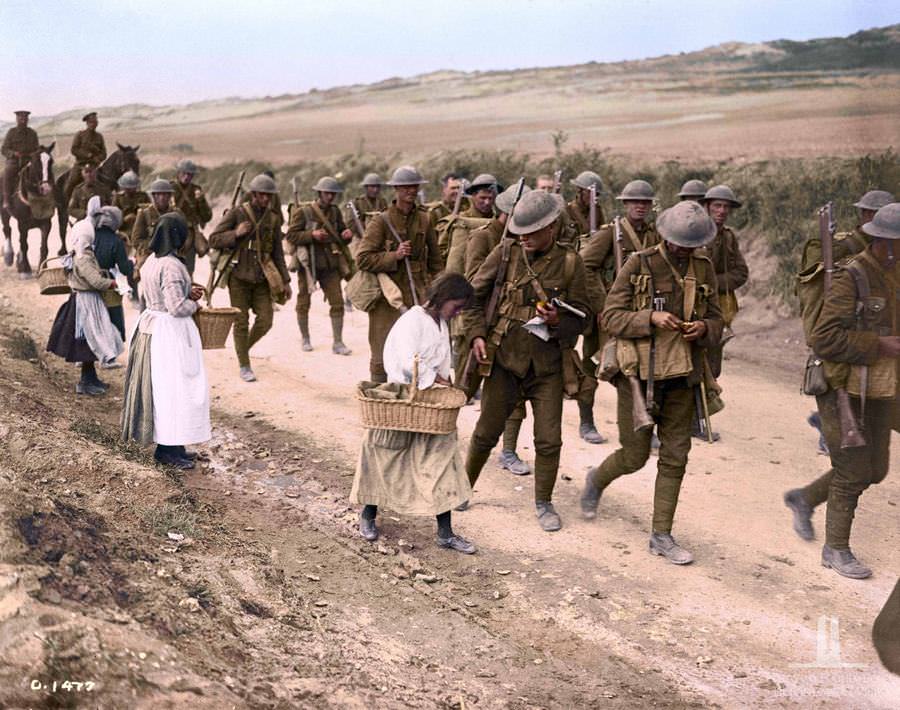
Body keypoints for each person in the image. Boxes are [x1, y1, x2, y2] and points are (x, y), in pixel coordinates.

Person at [580, 201, 723, 564]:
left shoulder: (703, 269)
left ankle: (661, 534)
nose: (682, 251)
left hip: (684, 376)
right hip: (639, 378)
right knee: (635, 455)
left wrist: (704, 328)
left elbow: (719, 321)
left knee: (676, 457)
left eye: (690, 246)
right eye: (677, 243)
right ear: (664, 237)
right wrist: (650, 317)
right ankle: (597, 479)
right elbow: (611, 317)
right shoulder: (639, 264)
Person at [463, 190, 591, 532]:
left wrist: (557, 323)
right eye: (521, 231)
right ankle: (461, 488)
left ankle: (544, 502)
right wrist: (476, 335)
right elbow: (471, 296)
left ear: (551, 227)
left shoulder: (570, 263)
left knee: (549, 440)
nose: (525, 238)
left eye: (532, 232)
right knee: (485, 432)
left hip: (547, 366)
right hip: (504, 359)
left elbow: (584, 317)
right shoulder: (505, 253)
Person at [784, 202, 899, 580]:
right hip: (841, 385)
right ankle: (836, 549)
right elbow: (824, 339)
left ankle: (805, 498)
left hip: (881, 384)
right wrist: (879, 345)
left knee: (876, 469)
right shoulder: (853, 277)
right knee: (851, 470)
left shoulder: (894, 273)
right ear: (883, 244)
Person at [351, 272, 476, 553]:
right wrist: (434, 377)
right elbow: (407, 361)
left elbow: (443, 360)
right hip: (404, 399)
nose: (457, 312)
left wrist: (444, 379)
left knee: (441, 461)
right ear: (443, 298)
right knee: (386, 458)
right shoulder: (413, 320)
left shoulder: (441, 324)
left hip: (429, 403)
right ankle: (368, 515)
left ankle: (446, 532)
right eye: (456, 305)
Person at [796, 189, 895, 456]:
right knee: (837, 379)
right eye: (875, 214)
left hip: (872, 328)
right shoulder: (842, 246)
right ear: (864, 215)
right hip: (841, 326)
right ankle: (833, 433)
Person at [121, 212, 210, 470]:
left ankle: (174, 445)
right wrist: (193, 302)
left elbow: (161, 296)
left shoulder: (150, 261)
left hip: (153, 325)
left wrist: (186, 291)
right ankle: (168, 450)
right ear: (176, 236)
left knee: (164, 389)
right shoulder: (171, 265)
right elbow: (175, 307)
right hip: (169, 334)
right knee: (175, 390)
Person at [577, 179, 660, 444]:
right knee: (594, 368)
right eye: (635, 202)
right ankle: (586, 421)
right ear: (625, 204)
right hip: (608, 315)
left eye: (645, 202)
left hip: (640, 314)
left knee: (644, 369)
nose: (640, 206)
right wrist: (602, 304)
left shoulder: (654, 235)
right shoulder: (609, 234)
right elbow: (585, 267)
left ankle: (643, 424)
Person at [463, 183, 534, 475]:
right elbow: (472, 284)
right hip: (479, 325)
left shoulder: (527, 243)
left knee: (513, 396)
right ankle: (438, 440)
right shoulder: (485, 239)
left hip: (509, 333)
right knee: (462, 388)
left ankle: (508, 450)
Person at [356, 165, 443, 383]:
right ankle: (378, 401)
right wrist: (394, 256)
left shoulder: (425, 219)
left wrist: (440, 290)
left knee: (419, 350)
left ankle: (412, 404)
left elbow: (435, 260)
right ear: (396, 189)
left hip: (419, 294)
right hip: (388, 297)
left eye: (414, 186)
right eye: (405, 187)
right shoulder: (381, 221)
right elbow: (363, 258)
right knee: (382, 349)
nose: (410, 191)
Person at [209, 174, 291, 382]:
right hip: (238, 276)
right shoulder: (238, 213)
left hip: (262, 277)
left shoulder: (272, 218)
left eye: (269, 196)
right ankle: (244, 364)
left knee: (266, 320)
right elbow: (214, 239)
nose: (266, 199)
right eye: (262, 195)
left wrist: (286, 280)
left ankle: (242, 350)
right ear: (254, 194)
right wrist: (236, 233)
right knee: (241, 322)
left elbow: (278, 253)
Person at [47, 197, 124, 395]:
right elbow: (95, 281)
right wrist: (111, 283)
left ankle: (90, 378)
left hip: (83, 299)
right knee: (90, 338)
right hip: (87, 301)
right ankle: (86, 382)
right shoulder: (84, 256)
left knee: (90, 340)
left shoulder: (77, 253)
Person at [286, 175, 354, 354]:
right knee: (303, 302)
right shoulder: (304, 212)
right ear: (319, 193)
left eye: (333, 194)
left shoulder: (335, 212)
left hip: (330, 264)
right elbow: (291, 236)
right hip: (308, 264)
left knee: (337, 302)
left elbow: (340, 236)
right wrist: (312, 235)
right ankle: (305, 338)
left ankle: (338, 343)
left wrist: (347, 236)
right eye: (327, 193)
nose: (330, 197)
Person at [438, 173, 499, 272]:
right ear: (473, 196)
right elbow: (441, 253)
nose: (487, 202)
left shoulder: (499, 220)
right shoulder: (458, 220)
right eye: (482, 198)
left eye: (490, 198)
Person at [90, 205, 134, 341]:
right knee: (113, 316)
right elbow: (125, 269)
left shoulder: (89, 236)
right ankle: (112, 351)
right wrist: (132, 263)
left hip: (88, 281)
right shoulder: (116, 241)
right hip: (108, 283)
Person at [169, 159, 212, 275]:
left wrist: (201, 200)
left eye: (190, 174)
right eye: (184, 173)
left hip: (190, 235)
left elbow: (207, 216)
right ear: (178, 173)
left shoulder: (196, 190)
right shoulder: (169, 189)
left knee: (188, 272)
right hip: (172, 234)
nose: (187, 176)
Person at [64, 112, 107, 202]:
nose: (93, 124)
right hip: (81, 165)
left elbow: (104, 153)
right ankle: (66, 203)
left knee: (106, 182)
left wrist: (99, 158)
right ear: (87, 123)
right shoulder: (80, 135)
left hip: (95, 166)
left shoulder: (99, 137)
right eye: (91, 122)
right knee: (71, 182)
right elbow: (74, 150)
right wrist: (89, 155)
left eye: (95, 122)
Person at [2, 110, 39, 210]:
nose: (23, 120)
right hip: (15, 161)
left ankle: (45, 197)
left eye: (25, 119)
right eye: (21, 118)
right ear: (17, 119)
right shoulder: (11, 132)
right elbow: (4, 149)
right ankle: (6, 199)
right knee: (7, 172)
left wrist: (33, 154)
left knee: (42, 172)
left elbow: (37, 149)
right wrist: (13, 154)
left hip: (29, 161)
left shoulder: (32, 133)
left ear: (28, 120)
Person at [561, 170, 605, 249]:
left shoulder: (597, 211)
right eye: (591, 193)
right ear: (580, 191)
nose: (595, 197)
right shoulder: (567, 211)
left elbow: (603, 234)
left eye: (597, 194)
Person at [346, 173, 388, 240]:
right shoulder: (357, 202)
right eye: (372, 187)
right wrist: (364, 227)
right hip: (361, 238)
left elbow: (387, 219)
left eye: (377, 187)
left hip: (380, 237)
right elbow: (350, 223)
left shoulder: (382, 202)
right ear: (366, 187)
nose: (375, 190)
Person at [112, 170, 149, 241]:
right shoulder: (118, 198)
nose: (130, 190)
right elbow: (113, 218)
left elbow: (149, 213)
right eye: (127, 188)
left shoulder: (143, 196)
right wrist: (124, 219)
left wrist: (138, 217)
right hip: (123, 231)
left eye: (132, 188)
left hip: (141, 230)